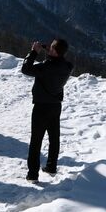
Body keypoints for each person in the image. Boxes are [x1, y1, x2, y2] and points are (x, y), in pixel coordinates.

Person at [21, 38, 73, 182]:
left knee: (36, 141)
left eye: (51, 47)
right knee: (54, 138)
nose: (49, 48)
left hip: (41, 107)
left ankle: (32, 175)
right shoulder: (68, 67)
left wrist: (33, 52)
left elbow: (25, 69)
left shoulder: (44, 68)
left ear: (54, 51)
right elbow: (58, 61)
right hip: (55, 106)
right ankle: (51, 166)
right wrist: (47, 49)